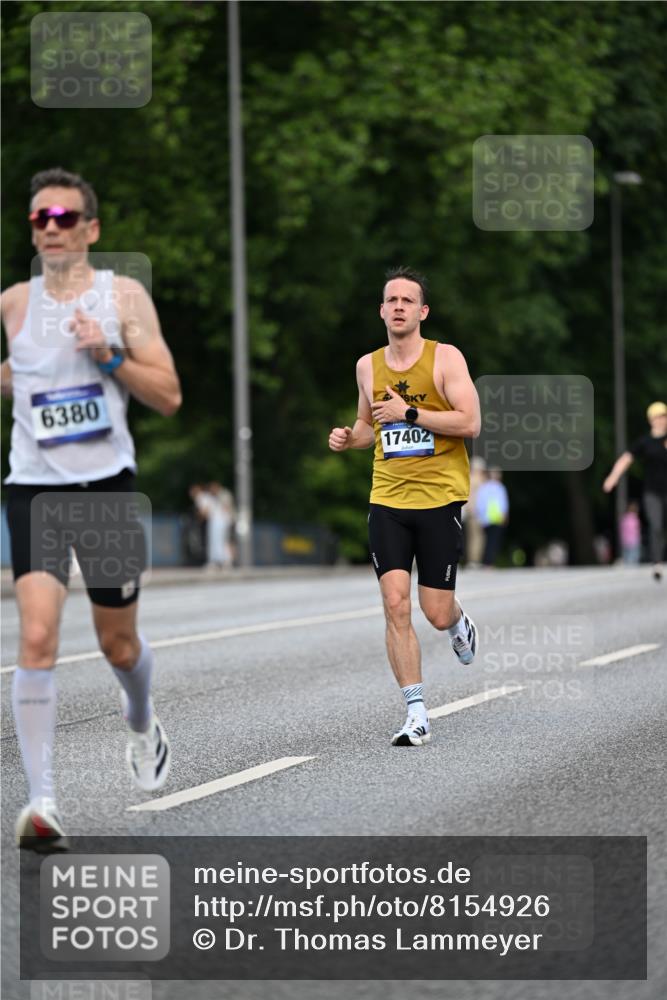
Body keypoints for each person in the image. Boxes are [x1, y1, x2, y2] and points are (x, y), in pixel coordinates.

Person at [1, 167, 182, 849]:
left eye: (65, 217)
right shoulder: (14, 304)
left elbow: (167, 394)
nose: (52, 227)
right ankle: (43, 803)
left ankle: (141, 718)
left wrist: (107, 357)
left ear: (91, 230)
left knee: (118, 643)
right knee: (38, 636)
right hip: (34, 488)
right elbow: (23, 377)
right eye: (40, 218)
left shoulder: (123, 297)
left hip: (106, 486)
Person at [328, 266, 481, 747]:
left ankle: (457, 622)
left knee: (433, 611)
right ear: (381, 310)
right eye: (390, 299)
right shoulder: (366, 366)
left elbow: (470, 421)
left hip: (438, 499)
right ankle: (416, 712)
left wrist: (409, 412)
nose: (398, 306)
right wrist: (349, 438)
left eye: (407, 300)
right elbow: (369, 425)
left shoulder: (445, 359)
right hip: (388, 498)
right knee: (395, 605)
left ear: (422, 312)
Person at [603, 401, 667, 581]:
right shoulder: (645, 442)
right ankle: (657, 563)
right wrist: (613, 477)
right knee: (656, 526)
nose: (661, 421)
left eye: (664, 417)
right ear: (651, 420)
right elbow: (626, 459)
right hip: (652, 492)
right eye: (658, 417)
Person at [194, 481, 235, 569]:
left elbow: (205, 511)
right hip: (219, 521)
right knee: (219, 541)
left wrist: (199, 518)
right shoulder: (212, 496)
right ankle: (221, 561)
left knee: (219, 541)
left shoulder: (205, 497)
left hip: (219, 521)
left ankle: (221, 561)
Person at [475, 466, 509, 568]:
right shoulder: (500, 487)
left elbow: (480, 503)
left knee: (488, 541)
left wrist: (480, 516)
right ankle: (489, 562)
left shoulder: (484, 487)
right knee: (493, 541)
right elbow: (504, 503)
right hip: (497, 518)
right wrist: (505, 515)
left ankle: (486, 562)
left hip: (486, 519)